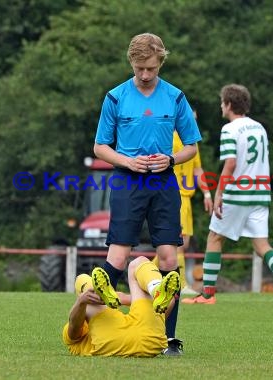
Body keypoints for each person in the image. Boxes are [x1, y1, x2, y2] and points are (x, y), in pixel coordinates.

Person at [93, 33, 202, 355]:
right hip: (127, 182)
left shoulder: (176, 97)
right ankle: (104, 326)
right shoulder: (115, 97)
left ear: (160, 64)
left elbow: (192, 147)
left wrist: (170, 158)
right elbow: (99, 146)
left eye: (151, 69)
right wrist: (127, 160)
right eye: (139, 68)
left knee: (169, 258)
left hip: (164, 182)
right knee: (117, 256)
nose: (144, 75)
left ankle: (169, 338)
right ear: (131, 63)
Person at [182, 84, 273, 307]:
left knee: (215, 238)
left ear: (228, 104)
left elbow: (231, 164)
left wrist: (219, 194)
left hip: (238, 193)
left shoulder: (230, 129)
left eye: (222, 102)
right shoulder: (259, 128)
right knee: (262, 245)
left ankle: (207, 295)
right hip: (261, 193)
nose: (220, 106)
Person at [62, 257, 180, 357]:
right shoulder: (85, 310)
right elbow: (169, 305)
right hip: (152, 341)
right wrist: (82, 301)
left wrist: (81, 301)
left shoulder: (86, 311)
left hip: (111, 342)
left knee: (81, 280)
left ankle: (98, 293)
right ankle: (156, 289)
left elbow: (74, 328)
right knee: (139, 263)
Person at [153, 109, 214, 296]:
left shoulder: (191, 143)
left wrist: (207, 194)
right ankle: (180, 283)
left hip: (185, 198)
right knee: (177, 242)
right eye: (191, 119)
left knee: (182, 243)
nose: (193, 123)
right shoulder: (170, 139)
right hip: (173, 195)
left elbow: (198, 170)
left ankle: (145, 272)